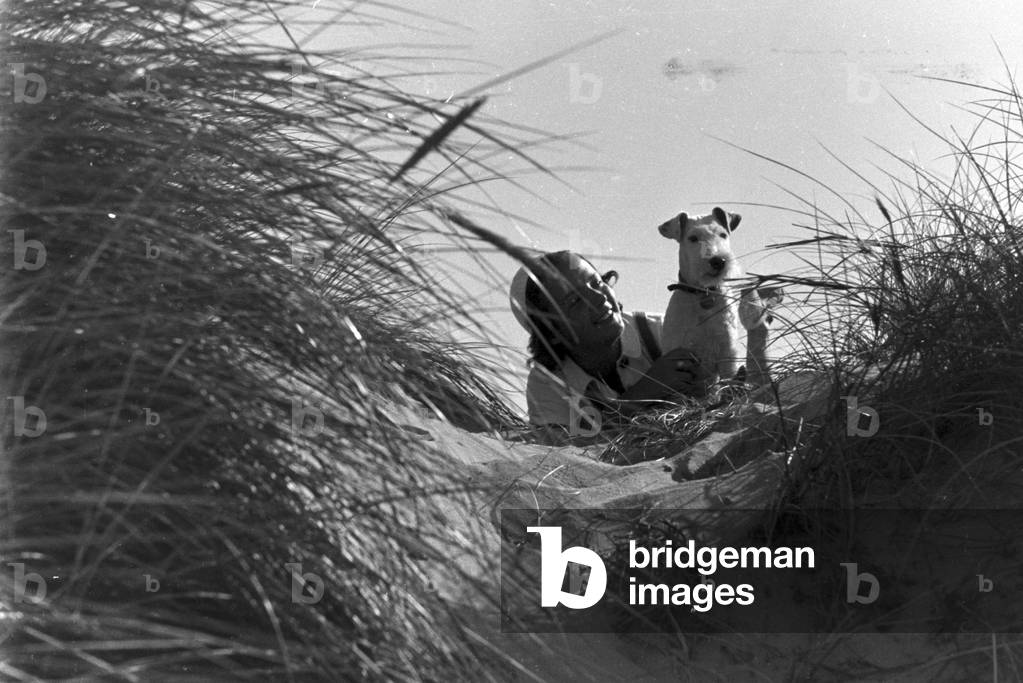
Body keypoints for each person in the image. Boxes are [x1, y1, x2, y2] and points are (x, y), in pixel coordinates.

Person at [509, 250, 710, 438]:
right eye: (575, 301)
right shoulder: (548, 385)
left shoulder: (662, 331)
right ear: (551, 332)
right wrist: (644, 393)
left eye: (597, 283)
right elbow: (563, 456)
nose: (598, 298)